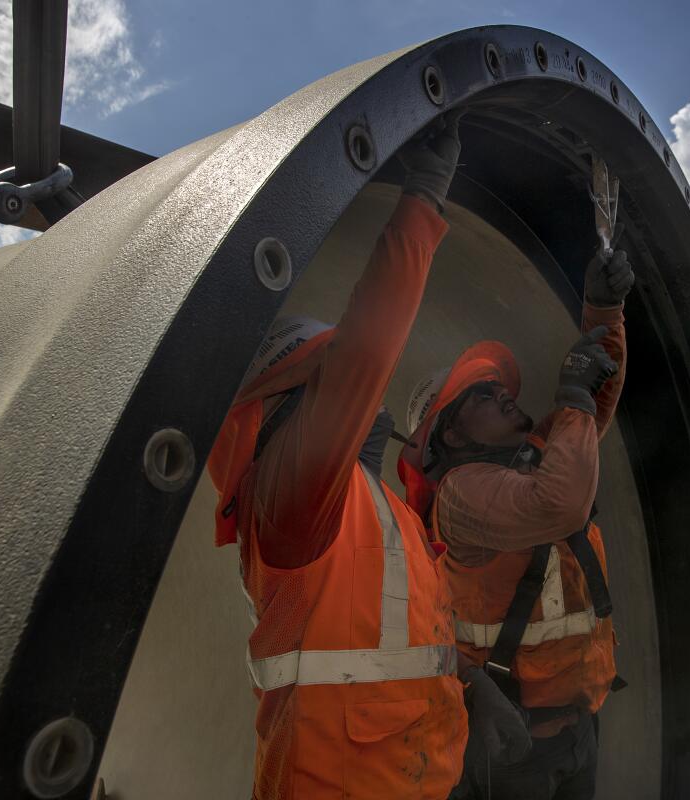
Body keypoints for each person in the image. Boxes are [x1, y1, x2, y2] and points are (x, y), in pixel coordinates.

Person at [206, 113, 527, 800]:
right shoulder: (283, 499)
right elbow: (363, 355)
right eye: (327, 385)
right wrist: (423, 204)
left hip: (420, 777)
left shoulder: (385, 514)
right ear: (288, 403)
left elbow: (414, 636)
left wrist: (475, 691)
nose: (366, 409)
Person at [398, 247, 635, 800]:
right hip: (513, 753)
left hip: (574, 731)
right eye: (481, 394)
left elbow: (593, 402)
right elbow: (562, 503)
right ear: (451, 437)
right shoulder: (461, 494)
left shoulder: (533, 459)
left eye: (498, 386)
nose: (502, 392)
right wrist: (571, 396)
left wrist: (604, 311)